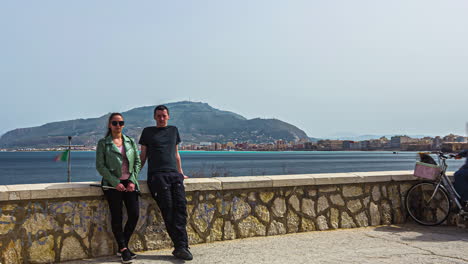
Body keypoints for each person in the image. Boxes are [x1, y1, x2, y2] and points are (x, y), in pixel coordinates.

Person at [139, 105, 193, 261]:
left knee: (181, 209)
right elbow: (143, 156)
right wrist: (133, 175)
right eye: (158, 116)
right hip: (157, 176)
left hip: (174, 175)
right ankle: (180, 247)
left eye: (164, 115)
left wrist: (181, 172)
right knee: (168, 210)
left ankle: (183, 246)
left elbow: (176, 154)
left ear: (168, 116)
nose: (161, 118)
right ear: (154, 117)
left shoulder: (173, 130)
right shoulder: (148, 132)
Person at [96, 113, 141, 264]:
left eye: (121, 123)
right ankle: (123, 250)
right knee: (117, 217)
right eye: (114, 123)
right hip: (111, 185)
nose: (118, 126)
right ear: (109, 125)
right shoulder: (104, 143)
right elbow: (100, 166)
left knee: (134, 214)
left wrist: (133, 180)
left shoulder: (130, 142)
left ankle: (123, 246)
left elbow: (137, 163)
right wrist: (115, 182)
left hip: (130, 184)